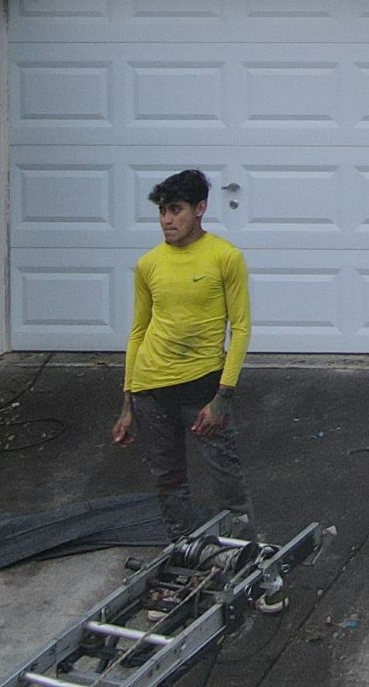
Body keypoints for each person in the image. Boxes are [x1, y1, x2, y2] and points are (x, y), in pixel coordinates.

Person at [110, 168, 255, 544]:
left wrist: (223, 397)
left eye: (176, 210)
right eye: (162, 211)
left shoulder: (225, 257)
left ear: (200, 208)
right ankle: (183, 550)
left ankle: (245, 552)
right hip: (150, 391)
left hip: (203, 389)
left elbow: (240, 329)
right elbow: (138, 332)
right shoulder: (149, 264)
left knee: (227, 480)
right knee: (169, 481)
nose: (167, 220)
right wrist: (127, 404)